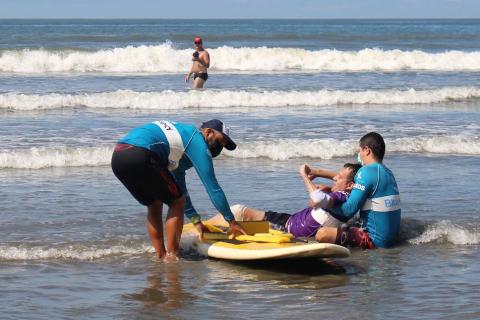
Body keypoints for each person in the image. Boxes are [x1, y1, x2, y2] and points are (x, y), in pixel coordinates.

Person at [111, 119, 246, 261]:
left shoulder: (180, 146)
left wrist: (196, 222)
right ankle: (171, 257)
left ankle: (161, 256)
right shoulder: (197, 141)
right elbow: (213, 187)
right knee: (176, 202)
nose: (221, 147)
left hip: (119, 157)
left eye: (224, 145)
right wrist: (232, 222)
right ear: (208, 132)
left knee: (155, 203)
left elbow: (180, 189)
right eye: (221, 140)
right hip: (142, 154)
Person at [206, 163, 361, 238]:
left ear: (349, 185)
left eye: (339, 177)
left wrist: (304, 176)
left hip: (283, 229)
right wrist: (323, 181)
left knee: (238, 212)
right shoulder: (347, 197)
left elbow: (316, 199)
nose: (335, 177)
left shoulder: (342, 196)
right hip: (287, 220)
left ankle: (202, 230)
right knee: (239, 212)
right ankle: (203, 227)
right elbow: (318, 200)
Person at [314, 132, 401, 249]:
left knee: (322, 233)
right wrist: (317, 173)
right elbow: (348, 181)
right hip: (392, 239)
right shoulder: (388, 173)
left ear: (367, 150)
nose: (359, 155)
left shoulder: (366, 171)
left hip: (374, 240)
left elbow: (348, 210)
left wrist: (324, 203)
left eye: (360, 151)